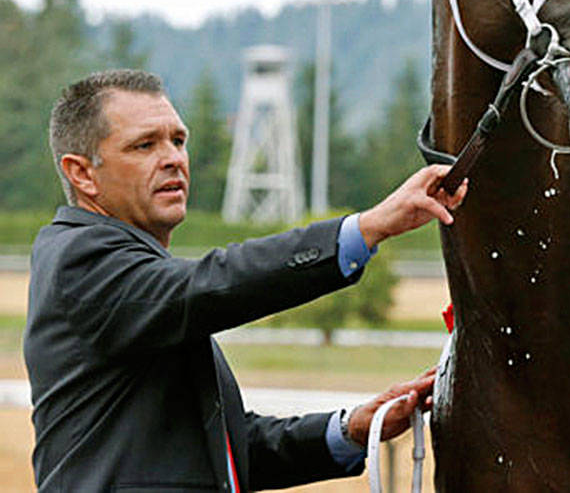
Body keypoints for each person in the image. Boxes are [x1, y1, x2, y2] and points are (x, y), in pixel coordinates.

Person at [25, 69, 467, 490]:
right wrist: (367, 228)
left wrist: (351, 428)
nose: (173, 159)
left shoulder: (137, 278)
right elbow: (213, 282)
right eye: (144, 146)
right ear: (81, 173)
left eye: (178, 140)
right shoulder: (77, 258)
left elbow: (226, 455)